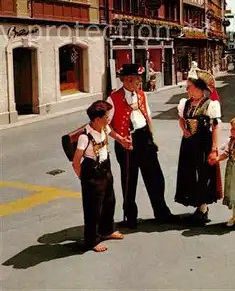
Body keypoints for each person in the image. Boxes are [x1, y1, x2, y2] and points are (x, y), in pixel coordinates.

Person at [107, 63, 175, 229]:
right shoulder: (113, 98)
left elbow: (148, 116)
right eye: (137, 79)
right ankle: (130, 218)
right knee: (129, 181)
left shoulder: (142, 95)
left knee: (156, 178)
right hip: (127, 143)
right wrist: (120, 139)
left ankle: (162, 213)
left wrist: (152, 137)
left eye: (139, 79)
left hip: (145, 139)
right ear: (127, 80)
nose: (139, 82)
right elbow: (105, 125)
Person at [72, 100, 128, 252]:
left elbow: (112, 133)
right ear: (97, 119)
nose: (109, 119)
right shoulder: (85, 137)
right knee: (93, 208)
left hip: (105, 167)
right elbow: (76, 162)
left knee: (109, 201)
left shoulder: (104, 127)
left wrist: (122, 140)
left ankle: (107, 230)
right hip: (92, 171)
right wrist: (84, 178)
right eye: (106, 116)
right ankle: (92, 240)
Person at [175, 70, 222, 224]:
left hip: (203, 144)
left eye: (189, 87)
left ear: (199, 89)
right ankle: (198, 206)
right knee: (189, 173)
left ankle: (203, 208)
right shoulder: (186, 103)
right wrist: (184, 130)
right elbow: (181, 119)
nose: (187, 89)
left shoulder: (210, 105)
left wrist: (214, 148)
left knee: (203, 174)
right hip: (188, 143)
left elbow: (215, 127)